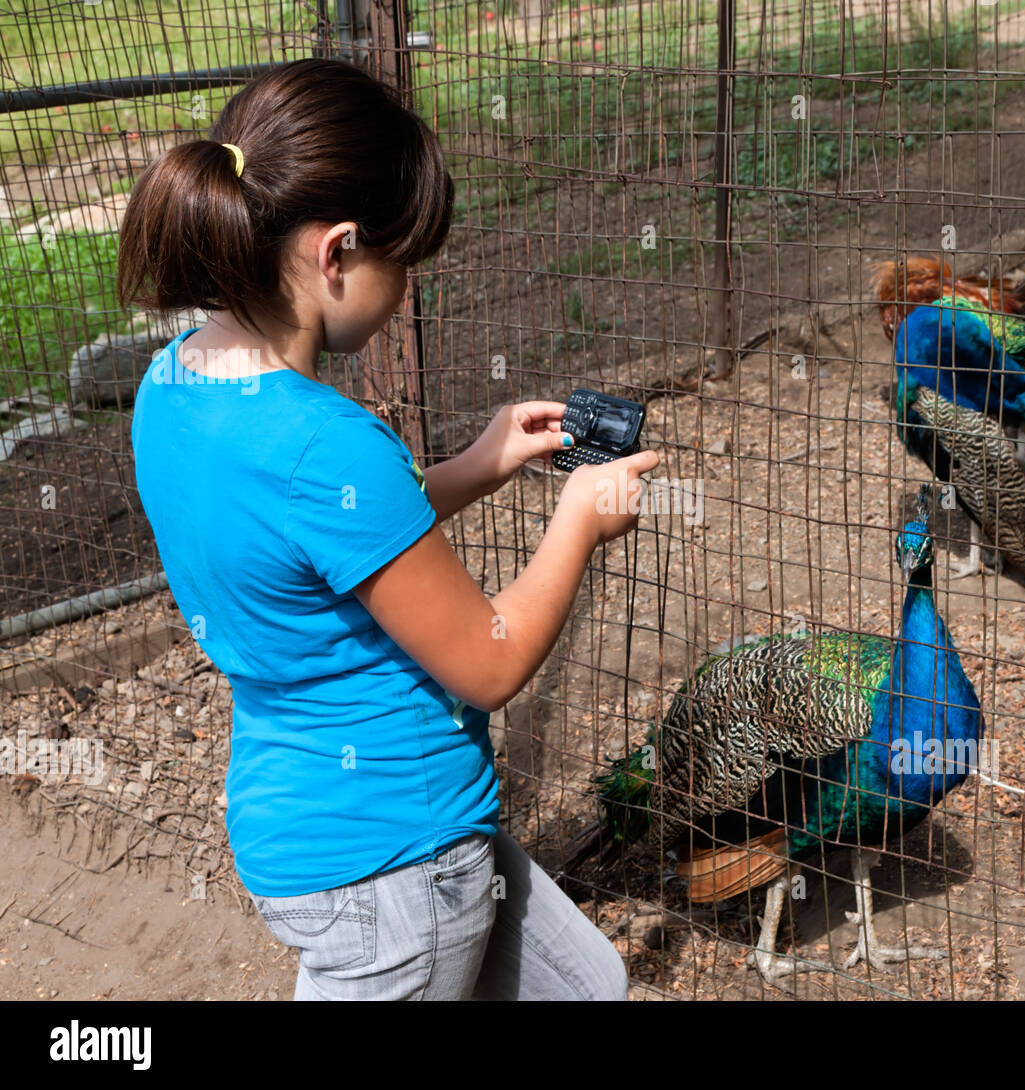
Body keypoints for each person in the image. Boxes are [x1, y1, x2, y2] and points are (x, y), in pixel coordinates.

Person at [119, 58, 656, 1000]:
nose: (407, 287)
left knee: (587, 986)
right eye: (400, 262)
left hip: (305, 811)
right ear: (337, 253)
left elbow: (323, 547)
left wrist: (479, 464)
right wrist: (576, 523)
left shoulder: (173, 386)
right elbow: (488, 662)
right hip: (394, 868)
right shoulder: (326, 444)